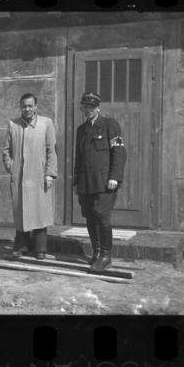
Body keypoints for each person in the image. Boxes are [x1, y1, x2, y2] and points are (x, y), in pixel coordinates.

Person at [73, 92, 127, 272]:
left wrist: (115, 176)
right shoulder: (81, 130)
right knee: (89, 216)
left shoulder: (109, 125)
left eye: (92, 107)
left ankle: (106, 255)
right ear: (82, 108)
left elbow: (119, 152)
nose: (88, 110)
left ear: (98, 108)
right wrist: (76, 181)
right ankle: (96, 251)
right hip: (85, 182)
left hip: (104, 182)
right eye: (85, 106)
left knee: (102, 216)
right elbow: (78, 158)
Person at [2, 93, 57, 260]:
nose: (27, 109)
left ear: (36, 107)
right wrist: (11, 167)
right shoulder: (13, 124)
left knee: (40, 212)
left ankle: (40, 248)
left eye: (30, 105)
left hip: (39, 175)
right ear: (21, 107)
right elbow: (6, 150)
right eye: (24, 106)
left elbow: (51, 151)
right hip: (19, 176)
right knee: (21, 212)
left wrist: (50, 173)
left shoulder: (46, 123)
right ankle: (22, 246)